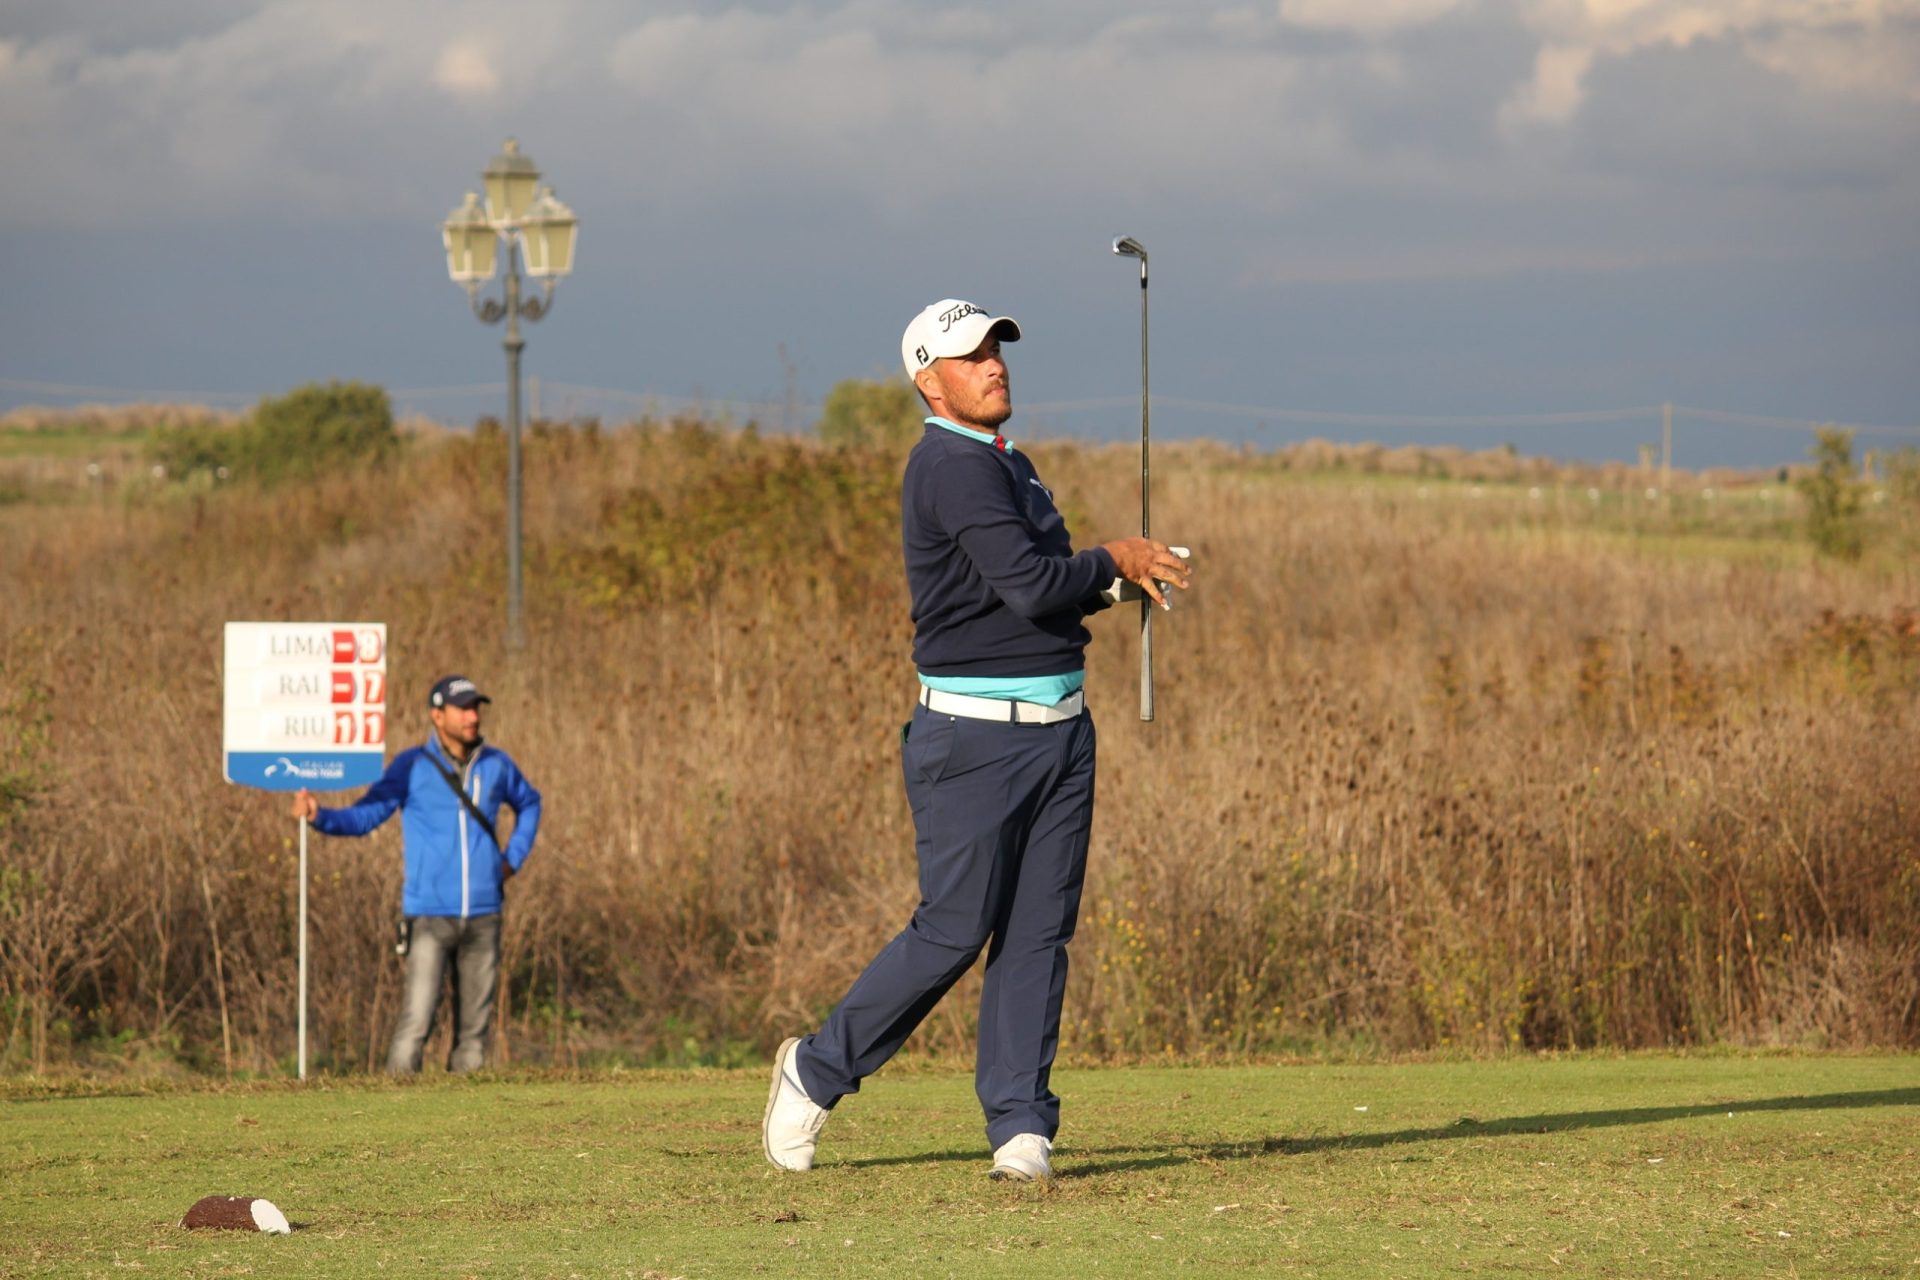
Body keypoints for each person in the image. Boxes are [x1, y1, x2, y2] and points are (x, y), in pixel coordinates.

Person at [762, 298, 1192, 1180]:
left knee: (1038, 934)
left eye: (997, 349)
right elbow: (1037, 586)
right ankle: (815, 1069)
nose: (995, 365)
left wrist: (1114, 589)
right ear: (930, 381)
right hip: (974, 740)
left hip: (1062, 732)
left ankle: (1020, 1126)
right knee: (954, 930)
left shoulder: (1011, 465)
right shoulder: (951, 467)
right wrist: (1112, 559)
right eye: (971, 356)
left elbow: (1027, 599)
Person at [291, 674, 542, 1073]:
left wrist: (512, 858)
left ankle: (467, 1123)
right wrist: (321, 816)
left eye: (476, 707)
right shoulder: (412, 766)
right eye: (463, 708)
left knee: (474, 1035)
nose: (473, 716)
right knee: (416, 1023)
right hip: (428, 915)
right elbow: (368, 813)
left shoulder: (497, 764)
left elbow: (530, 803)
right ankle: (394, 1116)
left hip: (484, 911)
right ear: (437, 715)